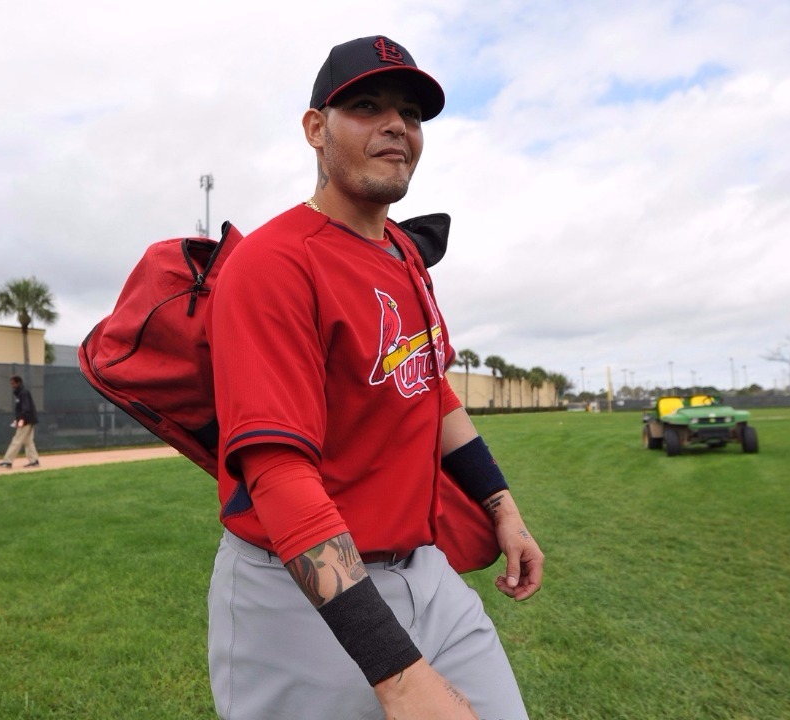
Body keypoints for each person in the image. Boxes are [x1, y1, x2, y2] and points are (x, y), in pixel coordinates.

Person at [204, 35, 544, 719]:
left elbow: (434, 392)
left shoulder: (402, 256)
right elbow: (277, 472)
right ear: (315, 129)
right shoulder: (274, 262)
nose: (397, 125)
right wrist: (397, 673)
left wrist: (502, 507)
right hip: (296, 591)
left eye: (411, 114)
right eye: (366, 105)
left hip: (425, 571)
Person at [0, 375, 39, 468]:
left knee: (16, 440)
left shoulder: (23, 393)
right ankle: (34, 461)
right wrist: (18, 419)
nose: (12, 385)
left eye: (13, 383)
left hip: (26, 420)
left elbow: (25, 408)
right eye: (11, 383)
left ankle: (8, 461)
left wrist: (21, 420)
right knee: (28, 441)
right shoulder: (20, 393)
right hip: (28, 419)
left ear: (19, 382)